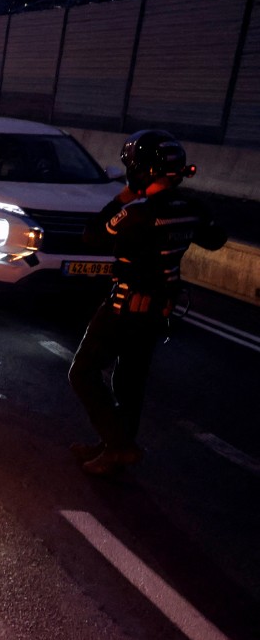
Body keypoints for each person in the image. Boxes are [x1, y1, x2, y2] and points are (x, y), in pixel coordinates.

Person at [68, 131, 227, 474]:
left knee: (82, 372)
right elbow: (215, 238)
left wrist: (123, 197)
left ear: (143, 172)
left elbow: (92, 234)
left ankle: (120, 445)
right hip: (159, 310)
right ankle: (114, 446)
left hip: (124, 306)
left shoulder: (137, 212)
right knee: (129, 381)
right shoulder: (190, 210)